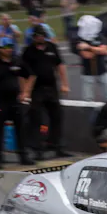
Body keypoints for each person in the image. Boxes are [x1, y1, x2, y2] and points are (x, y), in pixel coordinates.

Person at [0, 37, 34, 168]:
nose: (9, 49)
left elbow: (31, 75)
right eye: (6, 47)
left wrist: (26, 92)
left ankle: (23, 155)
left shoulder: (17, 61)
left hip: (15, 101)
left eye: (10, 47)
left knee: (20, 129)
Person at [21, 25, 70, 160]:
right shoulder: (28, 51)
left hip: (51, 87)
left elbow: (60, 65)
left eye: (42, 36)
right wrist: (25, 91)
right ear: (34, 37)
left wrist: (64, 84)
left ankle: (57, 146)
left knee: (57, 116)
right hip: (36, 89)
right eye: (37, 36)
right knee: (37, 118)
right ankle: (37, 148)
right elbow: (23, 73)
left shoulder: (52, 47)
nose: (40, 38)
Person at [76, 15, 107, 102]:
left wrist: (89, 47)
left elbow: (104, 50)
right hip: (87, 71)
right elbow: (87, 55)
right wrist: (98, 50)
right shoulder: (80, 39)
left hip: (102, 69)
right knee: (88, 98)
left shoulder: (101, 37)